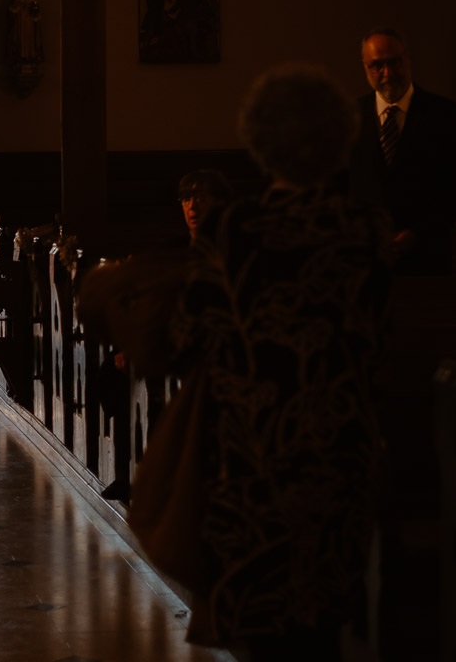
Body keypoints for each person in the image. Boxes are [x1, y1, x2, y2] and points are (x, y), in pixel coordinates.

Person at [150, 64, 393, 658]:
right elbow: (376, 333)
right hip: (341, 442)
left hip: (254, 449)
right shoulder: (365, 227)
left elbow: (189, 336)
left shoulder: (238, 227)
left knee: (262, 616)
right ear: (340, 142)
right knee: (324, 618)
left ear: (261, 144)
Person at [349, 26, 456, 274]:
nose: (388, 73)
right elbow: (340, 187)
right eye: (377, 65)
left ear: (408, 58)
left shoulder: (446, 115)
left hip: (427, 258)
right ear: (365, 67)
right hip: (363, 260)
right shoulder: (348, 118)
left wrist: (417, 234)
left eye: (395, 62)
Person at [177, 169, 233, 241]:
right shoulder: (171, 249)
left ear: (220, 202)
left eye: (200, 199)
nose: (191, 206)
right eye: (186, 199)